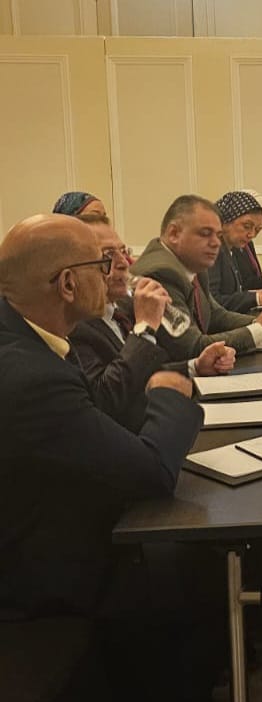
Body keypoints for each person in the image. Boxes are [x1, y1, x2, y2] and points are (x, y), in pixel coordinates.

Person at [0, 213, 202, 620]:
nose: (113, 272)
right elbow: (152, 473)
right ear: (68, 284)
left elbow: (93, 409)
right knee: (196, 571)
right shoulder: (31, 375)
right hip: (43, 583)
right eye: (102, 264)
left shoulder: (33, 338)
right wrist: (169, 393)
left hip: (49, 528)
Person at [69, 215, 236, 431]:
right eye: (108, 255)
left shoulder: (120, 308)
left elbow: (142, 373)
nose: (124, 263)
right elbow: (105, 399)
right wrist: (145, 328)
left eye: (123, 251)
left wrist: (195, 366)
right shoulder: (74, 325)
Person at [130, 194, 262, 362]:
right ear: (174, 233)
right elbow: (192, 347)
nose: (216, 243)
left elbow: (214, 314)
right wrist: (260, 331)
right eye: (205, 234)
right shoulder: (161, 274)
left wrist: (260, 321)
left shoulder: (192, 262)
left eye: (218, 235)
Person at [208, 191, 262, 313]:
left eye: (257, 230)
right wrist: (257, 298)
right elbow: (212, 304)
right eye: (246, 226)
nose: (252, 235)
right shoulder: (211, 250)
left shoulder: (230, 249)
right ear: (225, 221)